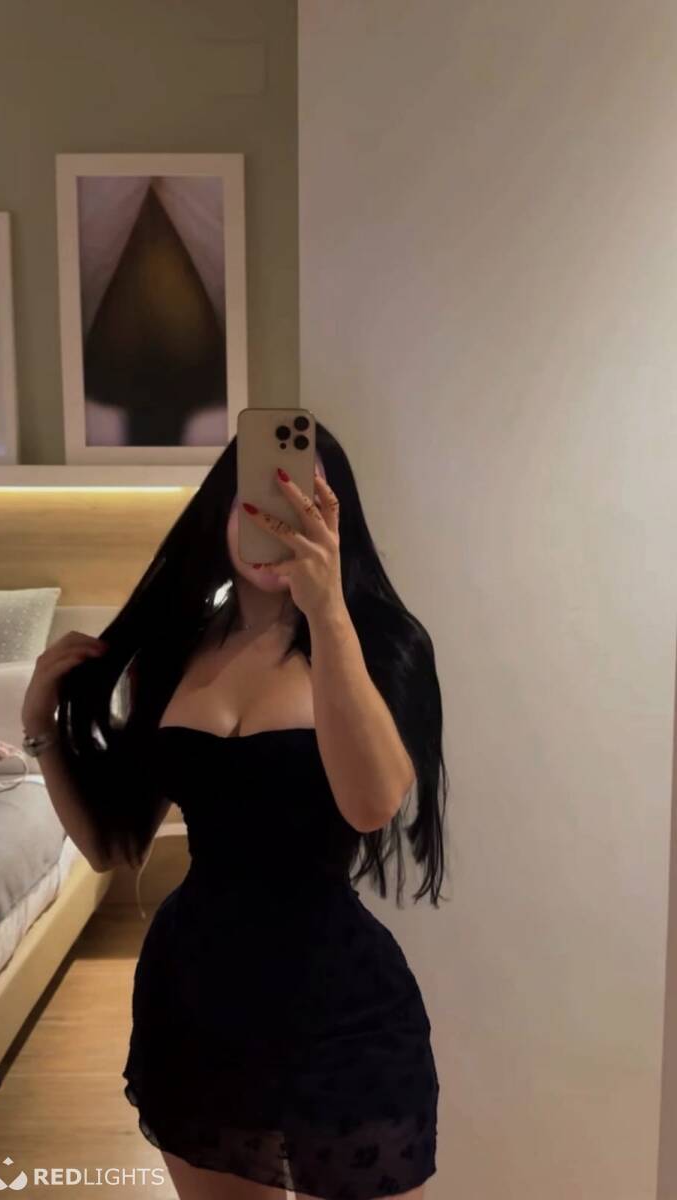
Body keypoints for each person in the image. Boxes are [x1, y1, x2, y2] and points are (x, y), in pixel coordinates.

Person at [22, 419, 450, 1200]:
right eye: (256, 501)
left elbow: (369, 806)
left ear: (336, 521)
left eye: (301, 506)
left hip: (340, 1008)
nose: (274, 523)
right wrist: (40, 730)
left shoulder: (384, 644)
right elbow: (113, 847)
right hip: (192, 999)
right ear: (222, 510)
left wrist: (326, 611)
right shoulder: (174, 653)